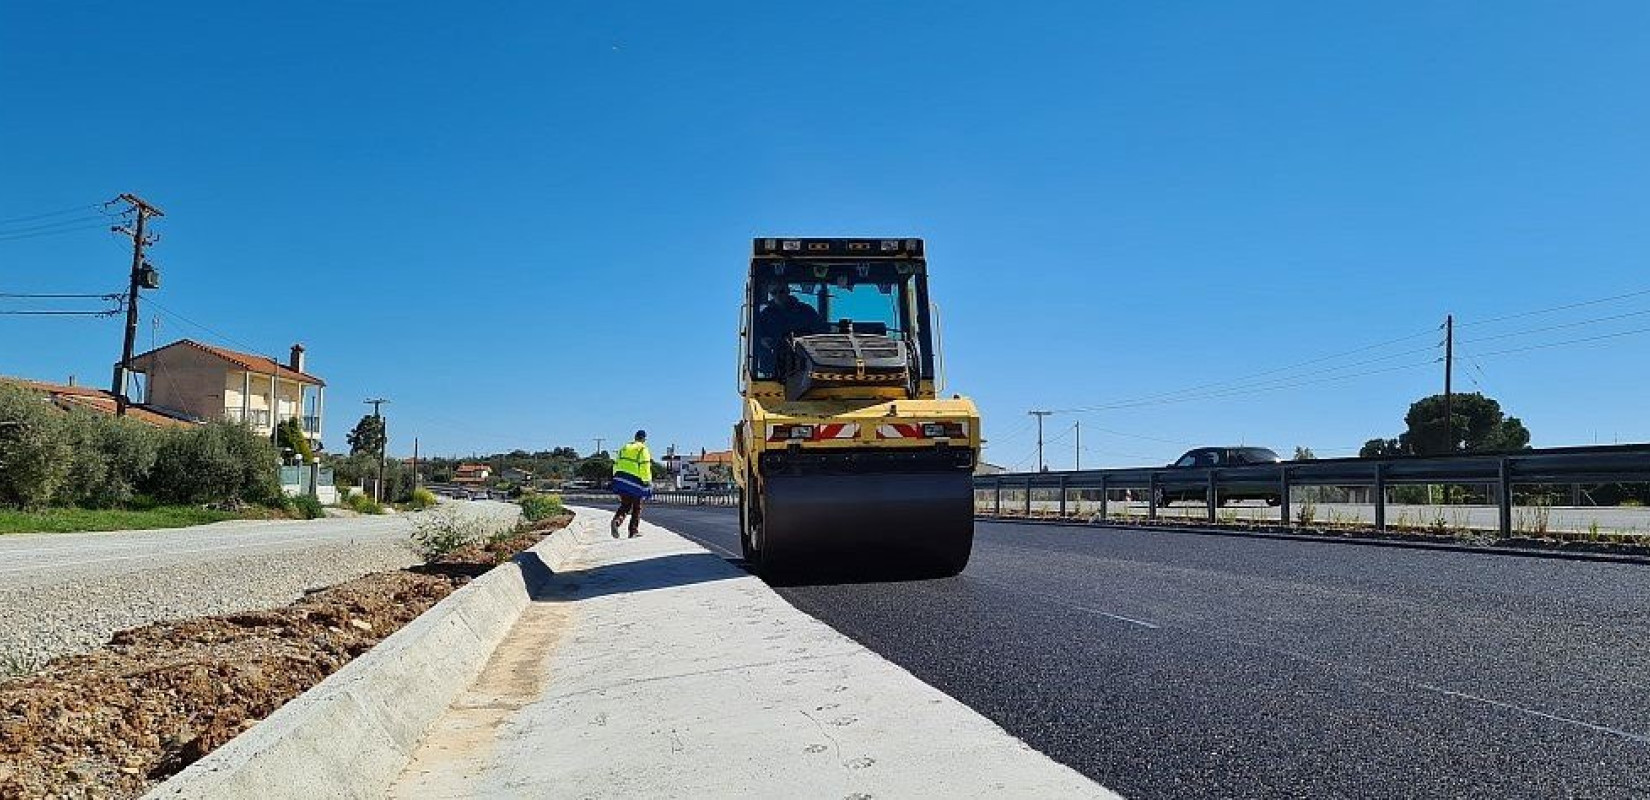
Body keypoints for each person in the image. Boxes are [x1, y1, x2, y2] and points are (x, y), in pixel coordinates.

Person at [754, 283, 825, 375]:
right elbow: (755, 336)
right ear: (770, 294)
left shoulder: (805, 311)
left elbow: (821, 331)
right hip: (776, 368)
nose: (778, 295)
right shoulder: (765, 316)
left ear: (788, 291)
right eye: (774, 292)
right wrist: (762, 340)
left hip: (807, 365)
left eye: (781, 291)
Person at [610, 430, 653, 538]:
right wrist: (647, 482)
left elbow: (616, 464)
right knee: (637, 507)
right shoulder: (643, 449)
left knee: (625, 505)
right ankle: (633, 531)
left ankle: (616, 521)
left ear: (635, 437)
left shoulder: (624, 447)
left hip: (621, 480)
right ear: (643, 438)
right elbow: (645, 467)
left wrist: (616, 478)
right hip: (635, 482)